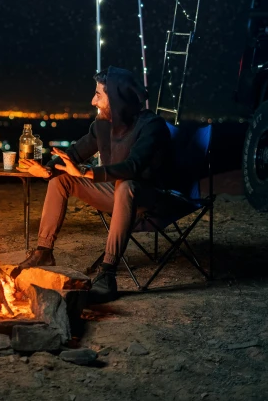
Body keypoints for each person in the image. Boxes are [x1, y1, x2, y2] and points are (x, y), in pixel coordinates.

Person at [16, 66, 173, 303]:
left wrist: (88, 173)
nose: (92, 101)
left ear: (117, 98)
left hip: (151, 197)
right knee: (62, 179)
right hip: (116, 193)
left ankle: (107, 271)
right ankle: (44, 251)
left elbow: (133, 166)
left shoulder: (152, 126)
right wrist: (47, 169)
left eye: (98, 94)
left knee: (126, 185)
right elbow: (76, 152)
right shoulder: (102, 124)